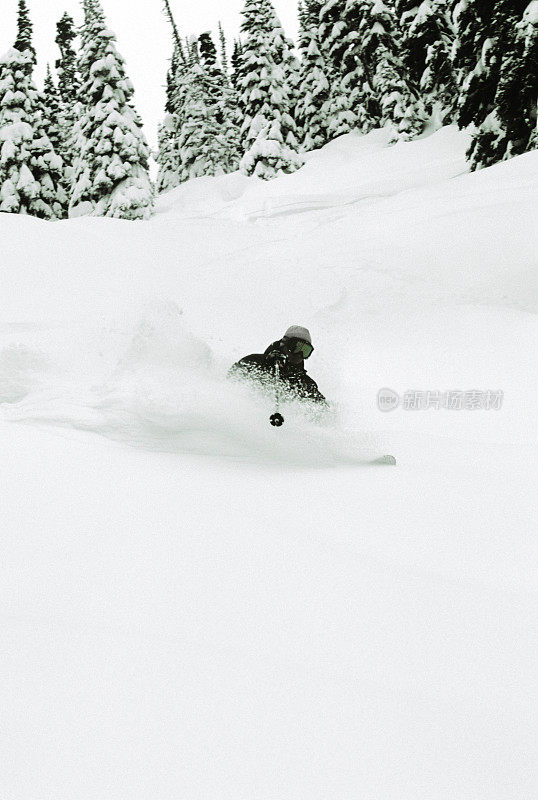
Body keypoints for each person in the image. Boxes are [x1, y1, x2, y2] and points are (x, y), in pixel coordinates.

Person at [228, 325, 327, 405]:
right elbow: (229, 384)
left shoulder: (305, 384)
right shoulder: (255, 362)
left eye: (305, 351)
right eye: (295, 347)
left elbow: (323, 412)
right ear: (284, 344)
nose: (299, 354)